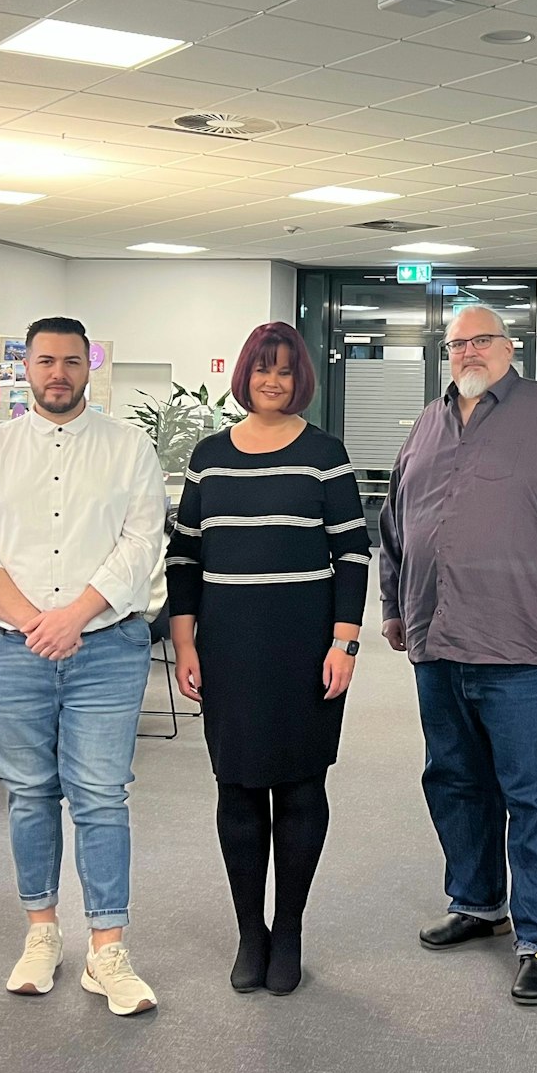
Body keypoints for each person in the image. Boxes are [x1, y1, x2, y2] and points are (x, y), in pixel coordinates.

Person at [379, 304, 537, 1007]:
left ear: (509, 348)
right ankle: (479, 900)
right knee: (455, 781)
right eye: (455, 343)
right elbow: (395, 522)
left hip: (533, 645)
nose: (466, 352)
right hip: (439, 640)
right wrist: (394, 604)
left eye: (480, 340)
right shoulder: (427, 424)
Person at [0, 315, 165, 1015]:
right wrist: (34, 620)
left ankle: (108, 949)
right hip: (11, 650)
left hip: (105, 647)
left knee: (101, 793)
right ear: (27, 366)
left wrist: (73, 616)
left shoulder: (129, 448)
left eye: (71, 360)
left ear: (88, 367)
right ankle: (41, 930)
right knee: (30, 792)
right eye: (46, 360)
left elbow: (140, 545)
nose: (58, 372)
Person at [167, 322, 369, 996]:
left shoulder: (324, 454)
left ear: (300, 378)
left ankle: (290, 927)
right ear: (245, 376)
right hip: (229, 647)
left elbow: (353, 554)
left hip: (305, 649)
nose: (273, 382)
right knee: (239, 788)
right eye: (262, 370)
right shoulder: (209, 456)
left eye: (284, 371)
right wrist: (186, 640)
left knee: (303, 788)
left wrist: (345, 641)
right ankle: (250, 933)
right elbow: (185, 556)